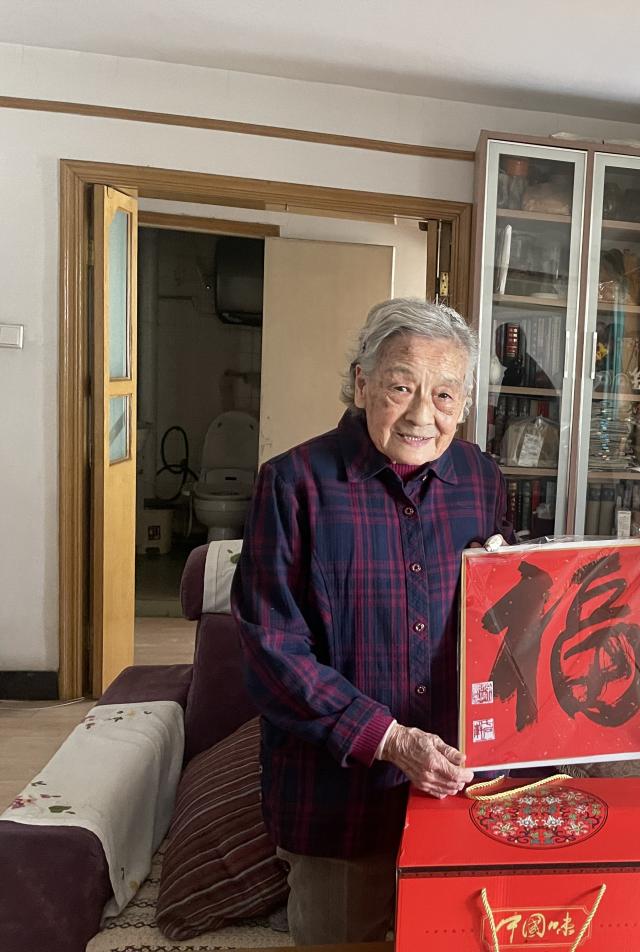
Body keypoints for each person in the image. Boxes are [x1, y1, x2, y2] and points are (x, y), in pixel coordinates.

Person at [232, 297, 511, 945]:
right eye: (401, 387)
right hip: (339, 800)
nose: (422, 414)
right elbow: (271, 650)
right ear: (362, 384)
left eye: (444, 394)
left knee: (460, 937)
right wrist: (389, 739)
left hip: (459, 785)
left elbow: (502, 621)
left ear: (465, 403)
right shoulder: (293, 483)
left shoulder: (481, 479)